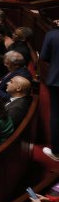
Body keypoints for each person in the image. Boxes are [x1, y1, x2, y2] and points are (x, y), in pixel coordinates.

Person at [43, 16, 59, 161]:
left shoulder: (52, 34)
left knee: (56, 115)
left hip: (56, 80)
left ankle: (56, 152)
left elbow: (44, 56)